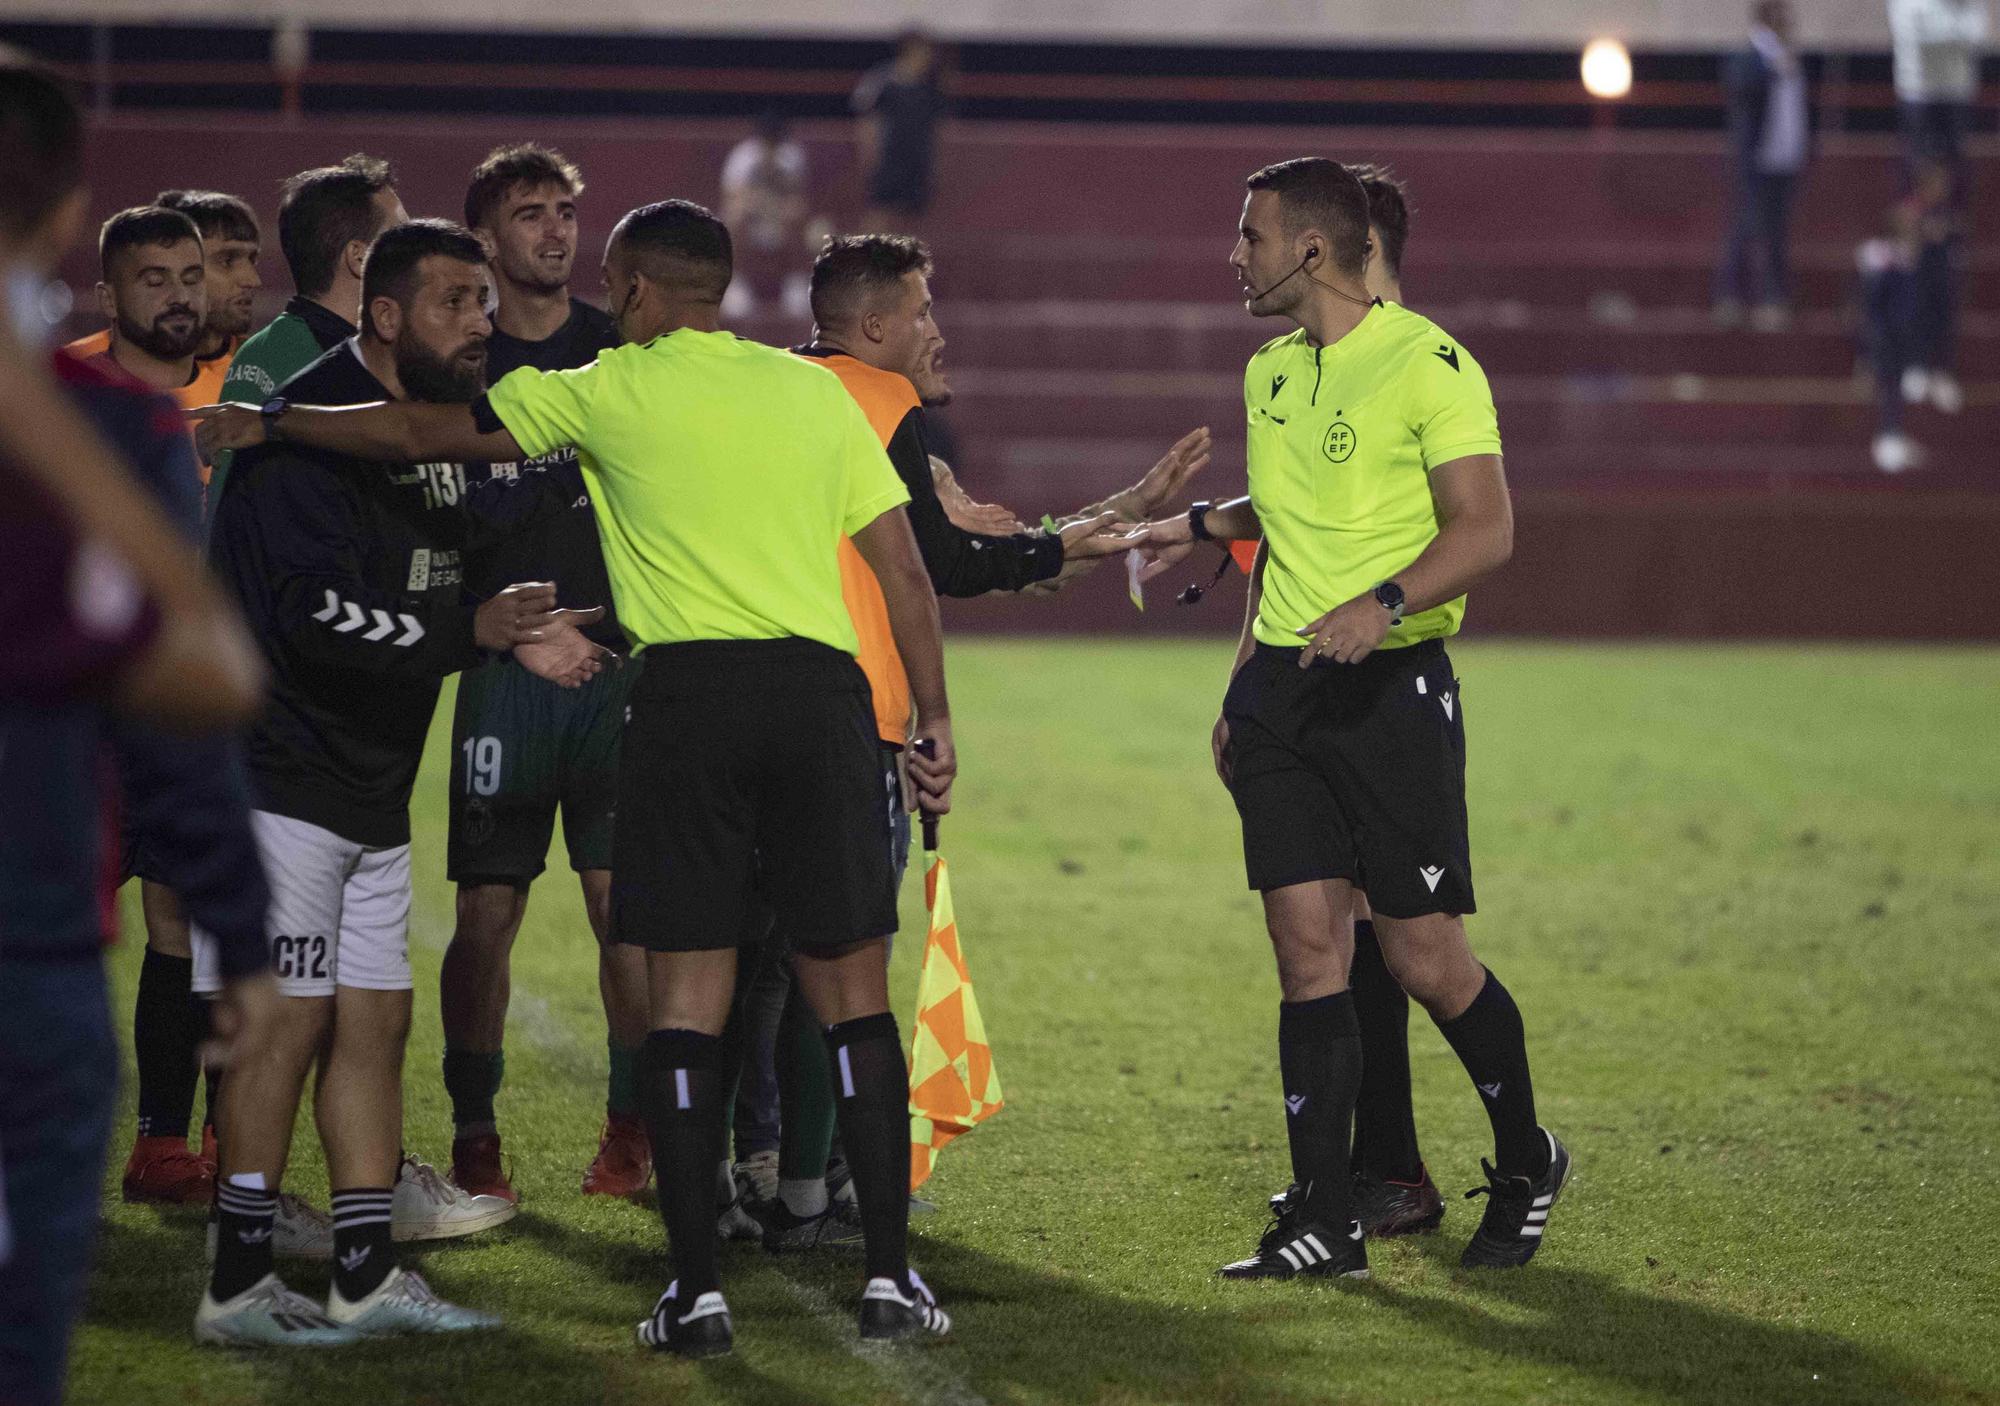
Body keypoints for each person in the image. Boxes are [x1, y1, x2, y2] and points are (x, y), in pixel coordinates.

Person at [196, 198, 965, 1355]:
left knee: (686, 1004)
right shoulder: (814, 391)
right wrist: (935, 719)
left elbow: (416, 435)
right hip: (821, 700)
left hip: (686, 702)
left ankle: (696, 1291)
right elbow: (903, 567)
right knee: (850, 996)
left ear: (643, 292)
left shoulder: (608, 384)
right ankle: (890, 1278)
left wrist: (272, 423)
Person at [1130, 157, 1569, 1278]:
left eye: (1249, 235)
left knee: (1423, 957)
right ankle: (1324, 1217)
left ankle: (1525, 1156)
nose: (1234, 255)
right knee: (1305, 950)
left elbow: (1485, 528)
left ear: (1310, 250)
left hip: (1389, 692)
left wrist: (1382, 606)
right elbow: (1282, 523)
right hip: (1281, 692)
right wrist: (1230, 639)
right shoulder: (1267, 370)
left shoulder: (1430, 365)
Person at [728, 233, 1201, 1248]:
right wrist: (1111, 523)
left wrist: (1110, 516)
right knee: (836, 967)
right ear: (871, 327)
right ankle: (808, 1192)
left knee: (750, 968)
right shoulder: (883, 409)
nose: (938, 330)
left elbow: (974, 547)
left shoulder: (770, 389)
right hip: (850, 723)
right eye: (922, 310)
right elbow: (948, 559)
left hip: (739, 713)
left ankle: (760, 1172)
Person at [191, 219, 606, 1346]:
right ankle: (234, 1288)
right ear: (385, 317)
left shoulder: (420, 433)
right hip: (278, 780)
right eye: (458, 303)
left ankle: (366, 1275)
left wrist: (514, 632)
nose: (483, 323)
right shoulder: (302, 440)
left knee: (374, 1024)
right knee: (283, 1025)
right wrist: (465, 630)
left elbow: (464, 554)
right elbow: (314, 616)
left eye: (485, 303)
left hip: (366, 785)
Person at [0, 58, 276, 1406]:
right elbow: (204, 688)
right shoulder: (104, 426)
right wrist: (231, 920)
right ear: (64, 218)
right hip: (27, 933)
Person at [444, 143, 651, 1204]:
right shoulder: (463, 363)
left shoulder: (617, 350)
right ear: (485, 235)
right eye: (529, 213)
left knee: (625, 909)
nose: (555, 231)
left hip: (616, 670)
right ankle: (474, 1137)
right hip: (505, 671)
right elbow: (429, 523)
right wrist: (518, 634)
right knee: (486, 912)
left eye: (565, 211)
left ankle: (629, 1135)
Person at [67, 188, 268, 1211]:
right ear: (112, 291)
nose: (183, 298)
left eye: (194, 277)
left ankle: (186, 1139)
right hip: (83, 705)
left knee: (186, 915)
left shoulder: (249, 387)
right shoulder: (71, 388)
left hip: (200, 704)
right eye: (157, 280)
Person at [208, 153, 406, 503]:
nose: (415, 253)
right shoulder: (276, 356)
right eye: (400, 237)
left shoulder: (375, 351)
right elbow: (230, 514)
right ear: (360, 258)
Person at [1714, 0, 1811, 331]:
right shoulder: (1750, 57)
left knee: (1777, 229)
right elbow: (1741, 92)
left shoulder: (1792, 60)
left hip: (1785, 156)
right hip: (1756, 159)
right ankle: (1730, 295)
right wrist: (1773, 68)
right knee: (1747, 225)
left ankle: (1774, 297)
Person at [1888, 0, 1988, 200]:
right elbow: (1914, 37)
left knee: (1956, 159)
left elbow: (1976, 37)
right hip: (1916, 90)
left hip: (1956, 91)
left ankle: (1954, 219)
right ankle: (1912, 218)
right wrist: (1952, 32)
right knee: (1915, 160)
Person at [719, 112, 812, 320]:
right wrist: (759, 205)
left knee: (797, 214)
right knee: (735, 215)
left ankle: (795, 282)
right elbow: (733, 197)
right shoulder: (743, 156)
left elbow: (797, 196)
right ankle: (735, 282)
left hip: (779, 218)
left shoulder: (791, 156)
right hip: (753, 218)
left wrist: (779, 210)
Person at [853, 30, 948, 232]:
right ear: (910, 51)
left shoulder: (930, 86)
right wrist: (870, 153)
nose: (928, 56)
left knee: (911, 217)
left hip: (917, 160)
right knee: (879, 211)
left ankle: (905, 260)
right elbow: (868, 117)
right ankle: (866, 259)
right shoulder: (884, 80)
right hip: (890, 158)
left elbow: (936, 127)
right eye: (924, 51)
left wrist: (934, 162)